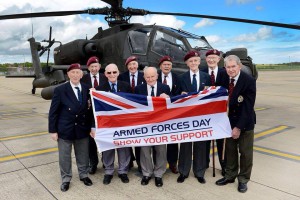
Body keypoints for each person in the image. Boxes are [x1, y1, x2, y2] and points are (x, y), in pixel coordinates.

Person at [48, 63, 93, 192]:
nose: (75, 75)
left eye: (77, 72)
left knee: (83, 155)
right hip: (65, 129)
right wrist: (53, 130)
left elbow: (90, 111)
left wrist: (92, 127)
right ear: (68, 74)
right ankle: (66, 179)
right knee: (64, 156)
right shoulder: (60, 90)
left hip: (82, 128)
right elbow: (53, 112)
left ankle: (84, 175)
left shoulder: (87, 88)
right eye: (72, 72)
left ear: (81, 74)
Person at [215, 55, 256, 193]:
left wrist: (238, 127)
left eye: (233, 66)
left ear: (239, 66)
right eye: (228, 67)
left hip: (244, 122)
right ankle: (230, 175)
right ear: (224, 67)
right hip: (228, 121)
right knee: (230, 152)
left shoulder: (248, 81)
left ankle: (243, 179)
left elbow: (247, 107)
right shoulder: (222, 77)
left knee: (245, 153)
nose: (231, 70)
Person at [92, 63, 132, 185]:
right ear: (105, 74)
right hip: (107, 125)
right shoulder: (99, 89)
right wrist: (93, 127)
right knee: (108, 148)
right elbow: (94, 110)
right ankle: (108, 171)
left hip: (122, 124)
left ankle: (122, 171)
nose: (112, 75)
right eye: (109, 73)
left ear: (118, 73)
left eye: (114, 72)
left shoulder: (126, 86)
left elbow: (132, 105)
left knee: (123, 148)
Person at [177, 50, 211, 184]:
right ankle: (183, 172)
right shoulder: (181, 78)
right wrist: (181, 93)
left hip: (201, 117)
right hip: (186, 117)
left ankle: (199, 172)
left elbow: (210, 96)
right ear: (187, 63)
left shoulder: (206, 77)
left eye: (195, 61)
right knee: (185, 144)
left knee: (201, 145)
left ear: (199, 62)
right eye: (190, 61)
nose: (193, 63)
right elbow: (176, 96)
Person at [134, 66, 171, 187]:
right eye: (147, 77)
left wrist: (168, 99)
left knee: (161, 150)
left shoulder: (165, 88)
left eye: (152, 76)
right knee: (145, 150)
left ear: (157, 76)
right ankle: (147, 173)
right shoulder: (138, 89)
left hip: (160, 125)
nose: (150, 79)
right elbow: (135, 107)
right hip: (145, 125)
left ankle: (159, 174)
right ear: (144, 77)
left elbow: (172, 107)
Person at [202, 49, 227, 176]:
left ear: (219, 59)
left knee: (221, 141)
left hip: (220, 113)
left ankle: (224, 165)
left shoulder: (225, 73)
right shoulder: (201, 72)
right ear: (206, 59)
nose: (211, 60)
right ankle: (204, 164)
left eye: (214, 57)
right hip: (205, 113)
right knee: (205, 139)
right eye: (209, 57)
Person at [118, 55, 145, 172]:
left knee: (139, 139)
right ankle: (128, 162)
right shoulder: (122, 77)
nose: (132, 66)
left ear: (137, 65)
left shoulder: (144, 76)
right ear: (127, 66)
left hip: (140, 113)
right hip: (126, 113)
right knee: (127, 139)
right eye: (130, 65)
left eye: (134, 64)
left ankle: (140, 163)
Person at [81, 56, 106, 175]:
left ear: (99, 67)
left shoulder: (105, 77)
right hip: (89, 114)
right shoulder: (84, 79)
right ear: (88, 68)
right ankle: (93, 163)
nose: (94, 68)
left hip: (103, 113)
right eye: (92, 67)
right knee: (91, 141)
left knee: (105, 138)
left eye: (96, 66)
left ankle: (106, 162)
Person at [157, 55, 181, 174]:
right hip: (157, 113)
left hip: (172, 113)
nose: (166, 66)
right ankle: (159, 163)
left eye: (169, 64)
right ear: (160, 66)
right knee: (159, 139)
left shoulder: (177, 78)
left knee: (172, 139)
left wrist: (169, 98)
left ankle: (172, 163)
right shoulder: (154, 76)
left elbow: (179, 94)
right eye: (164, 64)